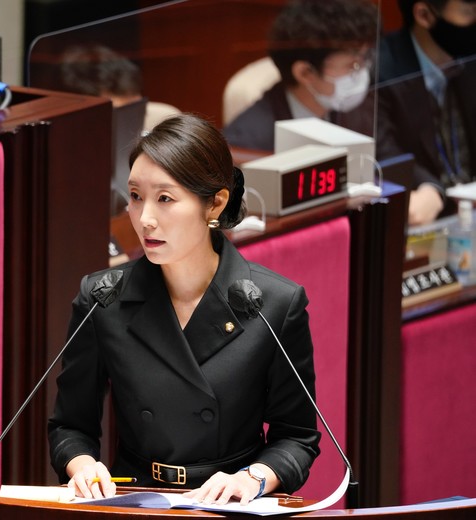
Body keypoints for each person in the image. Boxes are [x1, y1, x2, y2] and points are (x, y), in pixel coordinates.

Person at [48, 114, 321, 504]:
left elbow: (297, 437)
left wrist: (252, 479)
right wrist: (83, 466)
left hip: (228, 504)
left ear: (215, 204)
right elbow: (69, 428)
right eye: (136, 196)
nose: (145, 219)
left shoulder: (273, 304)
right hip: (135, 499)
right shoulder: (103, 299)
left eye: (165, 199)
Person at [223, 0, 377, 151]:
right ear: (305, 73)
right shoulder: (244, 143)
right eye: (353, 65)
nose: (362, 72)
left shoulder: (363, 111)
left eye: (365, 59)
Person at [376, 0, 476, 226]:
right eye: (470, 11)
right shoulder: (380, 69)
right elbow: (383, 150)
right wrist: (430, 187)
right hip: (426, 217)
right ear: (424, 15)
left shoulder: (469, 58)